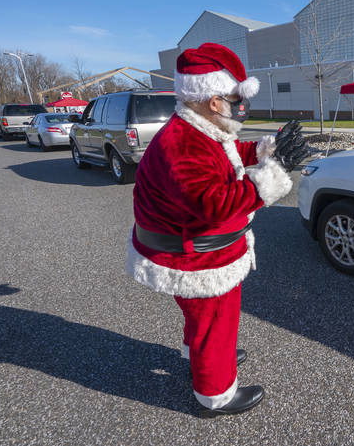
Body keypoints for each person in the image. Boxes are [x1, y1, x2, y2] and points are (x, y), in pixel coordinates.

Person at [126, 43, 304, 417]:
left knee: (203, 321)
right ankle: (215, 394)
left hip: (188, 248)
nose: (242, 106)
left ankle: (203, 357)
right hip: (195, 256)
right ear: (213, 101)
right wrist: (270, 177)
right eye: (236, 99)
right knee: (216, 322)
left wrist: (267, 150)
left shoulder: (199, 127)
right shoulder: (183, 143)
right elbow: (214, 205)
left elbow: (228, 153)